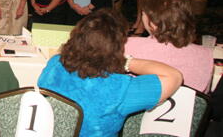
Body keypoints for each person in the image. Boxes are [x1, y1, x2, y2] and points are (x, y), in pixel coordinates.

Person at [38, 8, 183, 137]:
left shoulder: (55, 63)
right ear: (117, 47)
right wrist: (126, 62)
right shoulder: (119, 89)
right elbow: (174, 77)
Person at [125, 0, 213, 92]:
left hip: (144, 107)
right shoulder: (206, 55)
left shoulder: (128, 46)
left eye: (144, 13)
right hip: (186, 108)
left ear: (152, 21)